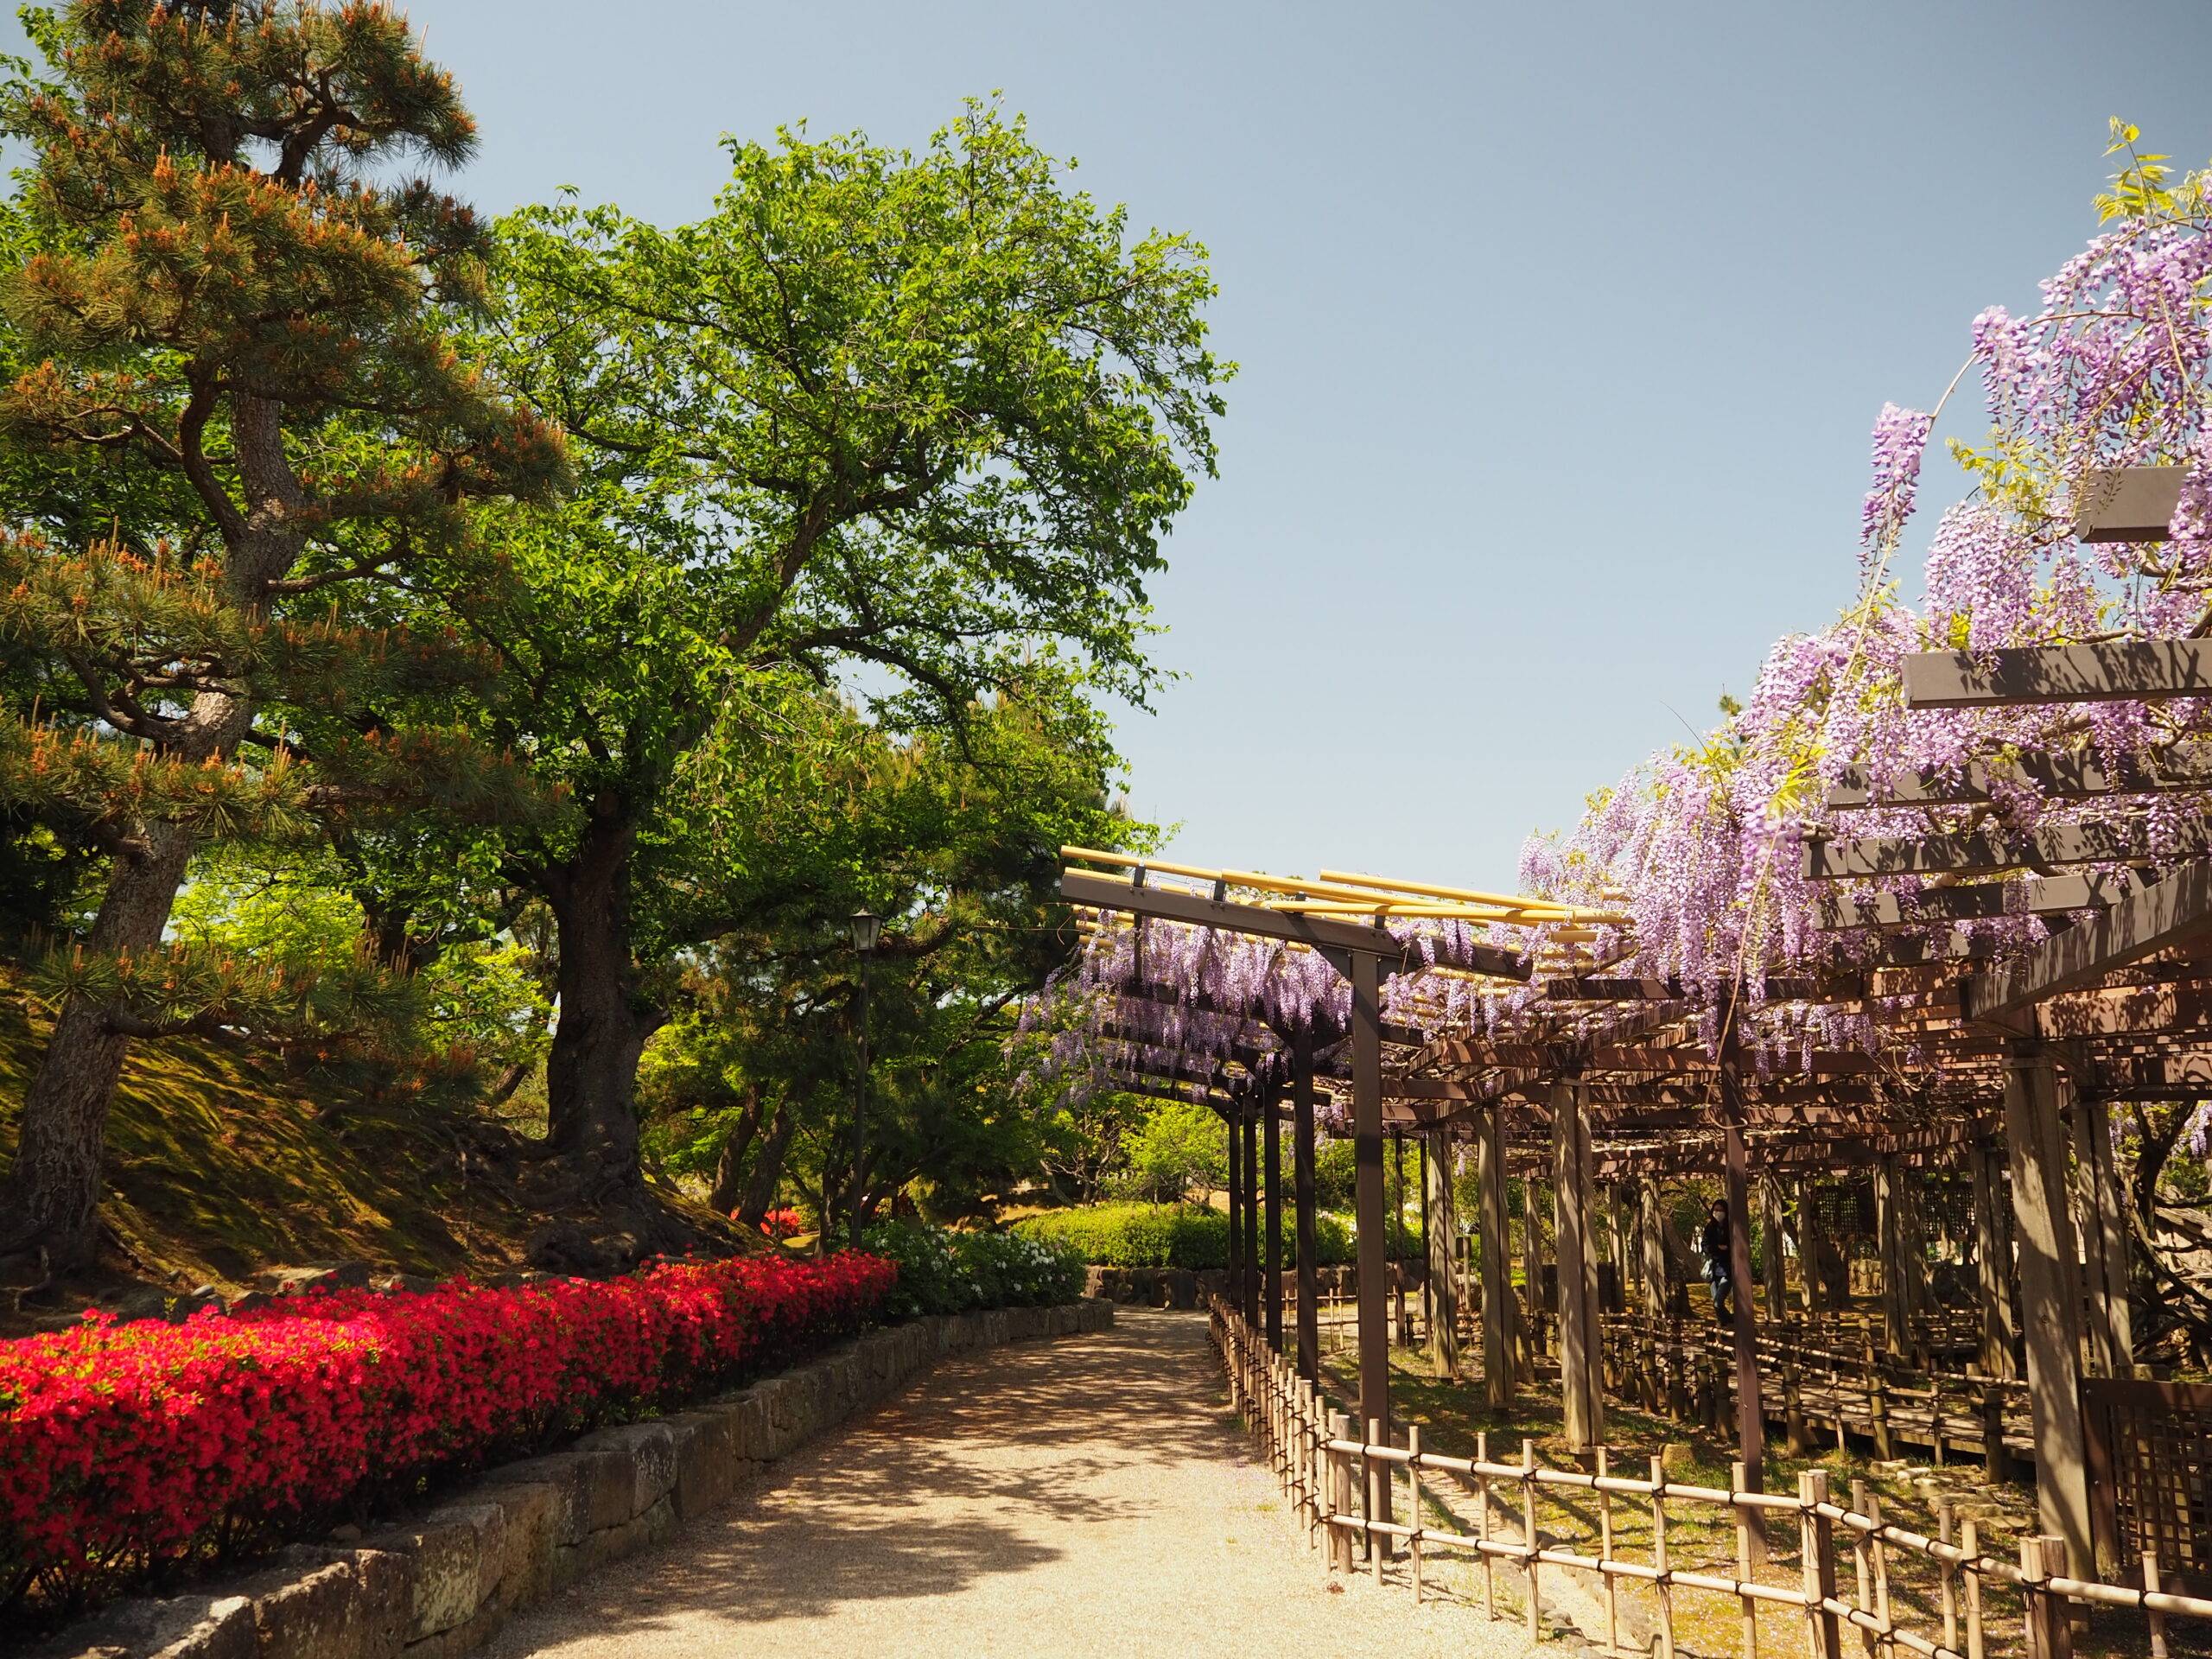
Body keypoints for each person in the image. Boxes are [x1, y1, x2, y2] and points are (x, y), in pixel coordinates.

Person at [1698, 1198, 1735, 1322]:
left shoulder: (1731, 1226)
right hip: (1713, 1269)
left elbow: (1733, 1245)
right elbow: (1705, 1245)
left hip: (1728, 1269)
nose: (1718, 1212)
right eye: (1715, 1210)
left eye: (1721, 1210)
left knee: (1718, 1303)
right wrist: (1717, 1247)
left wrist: (1721, 1248)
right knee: (1716, 1304)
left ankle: (1732, 1321)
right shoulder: (1710, 1227)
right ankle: (1725, 1327)